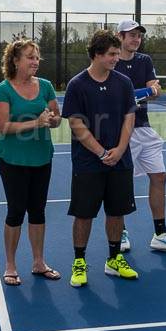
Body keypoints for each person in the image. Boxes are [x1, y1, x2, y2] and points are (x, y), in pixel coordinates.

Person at [61, 30, 139, 287]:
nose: (117, 58)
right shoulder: (77, 85)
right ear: (97, 54)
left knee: (116, 213)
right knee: (84, 214)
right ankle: (79, 262)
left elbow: (130, 117)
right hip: (88, 164)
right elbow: (76, 124)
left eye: (117, 54)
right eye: (112, 54)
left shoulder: (123, 83)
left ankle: (114, 259)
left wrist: (118, 149)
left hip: (121, 161)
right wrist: (101, 152)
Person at [0, 39, 61, 286]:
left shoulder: (46, 86)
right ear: (15, 61)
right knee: (16, 211)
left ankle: (38, 262)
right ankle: (10, 265)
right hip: (13, 159)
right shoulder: (3, 89)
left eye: (37, 56)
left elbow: (56, 118)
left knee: (38, 211)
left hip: (42, 156)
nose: (35, 61)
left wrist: (52, 120)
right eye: (30, 57)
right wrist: (36, 123)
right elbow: (4, 127)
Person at [114, 19, 166, 253]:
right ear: (120, 37)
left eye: (138, 35)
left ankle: (160, 235)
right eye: (131, 35)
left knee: (160, 176)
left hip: (144, 126)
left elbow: (154, 88)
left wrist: (153, 90)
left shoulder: (144, 61)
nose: (136, 39)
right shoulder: (111, 60)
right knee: (121, 182)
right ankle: (120, 233)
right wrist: (132, 95)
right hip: (120, 129)